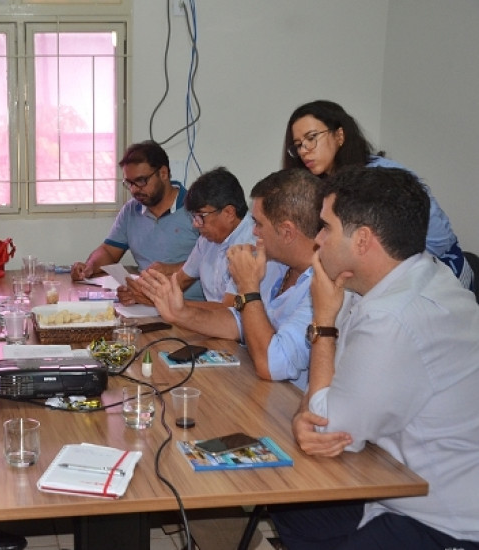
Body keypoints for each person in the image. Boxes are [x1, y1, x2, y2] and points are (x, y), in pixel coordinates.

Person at [270, 167, 479, 549]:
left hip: (442, 519)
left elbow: (326, 428)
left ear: (363, 239)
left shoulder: (394, 317)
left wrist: (322, 324)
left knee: (299, 497)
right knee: (290, 506)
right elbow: (323, 401)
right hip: (388, 477)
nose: (316, 240)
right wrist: (307, 416)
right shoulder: (390, 281)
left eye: (326, 227)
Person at [138, 169, 322, 390]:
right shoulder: (278, 265)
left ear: (287, 232)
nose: (254, 231)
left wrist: (248, 287)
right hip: (258, 387)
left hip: (287, 405)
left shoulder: (323, 285)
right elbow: (237, 323)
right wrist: (180, 313)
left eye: (259, 224)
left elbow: (272, 365)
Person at [283, 99, 473, 290]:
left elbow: (439, 239)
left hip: (440, 272)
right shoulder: (321, 185)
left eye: (312, 137)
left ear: (339, 135)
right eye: (298, 145)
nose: (304, 150)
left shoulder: (382, 176)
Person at [71, 140, 204, 301]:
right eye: (129, 183)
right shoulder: (130, 210)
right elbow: (108, 251)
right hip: (145, 302)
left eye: (141, 181)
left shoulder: (198, 209)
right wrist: (89, 267)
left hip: (191, 305)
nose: (134, 190)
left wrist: (172, 269)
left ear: (163, 173)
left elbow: (215, 260)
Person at [120, 167, 255, 307]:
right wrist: (143, 293)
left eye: (200, 217)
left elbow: (228, 312)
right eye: (193, 217)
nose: (196, 224)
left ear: (229, 213)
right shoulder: (207, 239)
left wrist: (168, 304)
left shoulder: (250, 243)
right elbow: (181, 280)